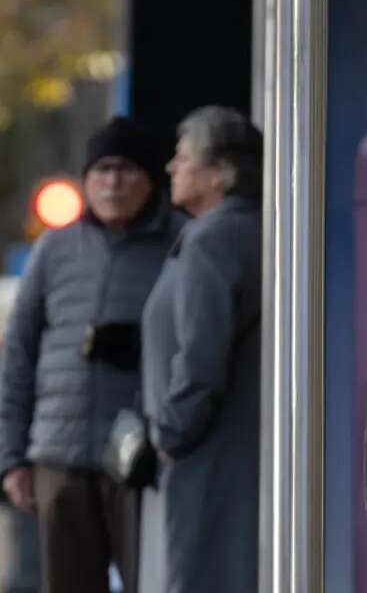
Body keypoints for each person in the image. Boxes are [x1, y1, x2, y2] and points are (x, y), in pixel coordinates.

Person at [0, 116, 185, 593]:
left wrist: (139, 349)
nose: (113, 182)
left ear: (150, 178)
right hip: (60, 455)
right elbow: (17, 352)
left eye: (126, 170)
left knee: (155, 581)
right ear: (86, 180)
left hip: (143, 459)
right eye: (102, 170)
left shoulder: (182, 242)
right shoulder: (54, 249)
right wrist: (10, 457)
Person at [136, 106, 263, 593]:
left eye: (183, 156)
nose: (171, 167)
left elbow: (199, 355)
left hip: (205, 459)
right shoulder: (247, 230)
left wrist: (169, 431)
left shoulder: (214, 238)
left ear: (218, 173)